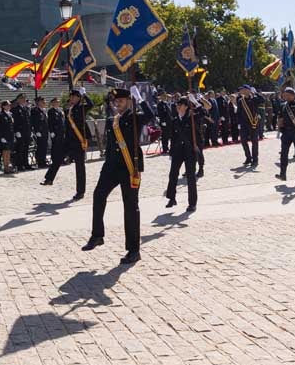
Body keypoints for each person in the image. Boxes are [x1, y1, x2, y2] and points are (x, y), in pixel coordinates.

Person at [82, 87, 153, 264]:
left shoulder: (135, 117)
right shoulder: (113, 119)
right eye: (115, 102)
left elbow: (151, 116)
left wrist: (142, 100)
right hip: (111, 166)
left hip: (129, 167)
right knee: (98, 195)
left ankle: (133, 250)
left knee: (130, 207)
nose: (117, 104)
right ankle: (97, 235)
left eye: (120, 101)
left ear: (129, 101)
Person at [43, 89, 88, 199]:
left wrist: (84, 95)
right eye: (71, 97)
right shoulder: (68, 108)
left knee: (79, 166)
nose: (71, 99)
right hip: (68, 140)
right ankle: (49, 179)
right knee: (58, 158)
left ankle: (80, 191)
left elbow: (90, 104)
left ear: (78, 97)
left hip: (78, 140)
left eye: (73, 97)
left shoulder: (82, 108)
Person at [164, 96, 201, 212]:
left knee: (191, 177)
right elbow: (173, 137)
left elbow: (203, 112)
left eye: (180, 105)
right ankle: (171, 198)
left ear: (186, 107)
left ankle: (192, 203)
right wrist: (171, 151)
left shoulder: (192, 118)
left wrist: (195, 102)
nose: (177, 107)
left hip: (189, 151)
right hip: (178, 151)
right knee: (173, 174)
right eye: (177, 105)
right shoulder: (175, 120)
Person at [275, 85, 295, 185]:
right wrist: (279, 124)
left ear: (293, 95)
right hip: (286, 133)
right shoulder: (283, 105)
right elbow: (280, 117)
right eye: (285, 95)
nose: (286, 97)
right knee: (284, 154)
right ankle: (282, 174)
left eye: (288, 95)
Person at [236, 85, 262, 168]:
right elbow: (238, 113)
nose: (241, 91)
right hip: (244, 124)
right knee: (243, 141)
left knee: (254, 142)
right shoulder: (240, 100)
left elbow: (263, 100)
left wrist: (255, 93)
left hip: (253, 123)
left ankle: (255, 159)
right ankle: (248, 157)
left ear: (248, 90)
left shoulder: (254, 98)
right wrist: (239, 123)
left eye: (243, 89)